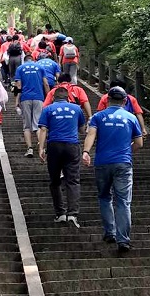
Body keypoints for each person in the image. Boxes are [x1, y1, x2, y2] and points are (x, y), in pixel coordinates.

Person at [83, 85, 143, 252]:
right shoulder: (131, 117)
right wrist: (127, 151)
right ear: (125, 101)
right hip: (123, 163)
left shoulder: (98, 117)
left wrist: (86, 152)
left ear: (107, 100)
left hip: (102, 162)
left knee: (104, 197)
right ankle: (123, 240)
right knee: (123, 201)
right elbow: (139, 143)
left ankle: (110, 232)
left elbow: (91, 134)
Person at [38, 86, 86, 228]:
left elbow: (43, 129)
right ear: (68, 98)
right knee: (73, 180)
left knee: (55, 181)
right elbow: (82, 129)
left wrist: (41, 148)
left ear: (53, 98)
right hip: (72, 145)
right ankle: (73, 214)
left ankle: (60, 213)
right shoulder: (77, 109)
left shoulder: (48, 109)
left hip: (54, 145)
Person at [15, 53, 49, 157]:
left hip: (25, 98)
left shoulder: (20, 68)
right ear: (33, 59)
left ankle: (29, 149)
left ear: (24, 60)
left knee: (27, 125)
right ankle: (41, 148)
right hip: (39, 97)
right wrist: (48, 97)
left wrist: (17, 100)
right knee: (38, 123)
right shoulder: (40, 67)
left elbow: (18, 86)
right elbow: (46, 83)